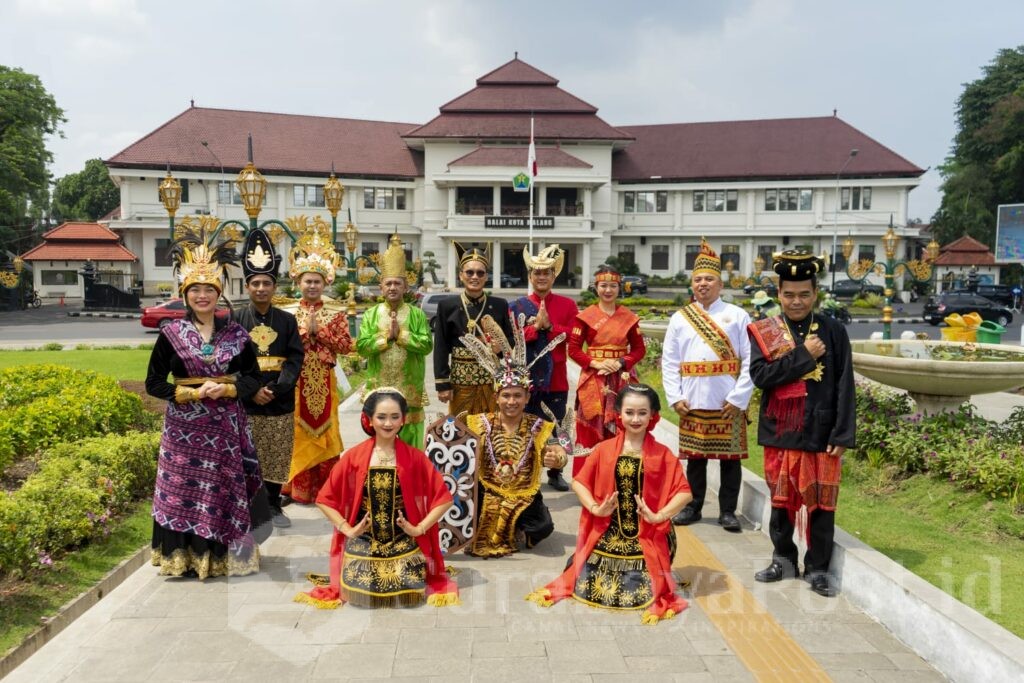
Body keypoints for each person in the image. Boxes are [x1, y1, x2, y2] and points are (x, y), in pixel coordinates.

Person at [144, 223, 266, 579]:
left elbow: (253, 378)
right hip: (183, 433)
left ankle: (224, 558)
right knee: (184, 493)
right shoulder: (170, 334)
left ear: (219, 292)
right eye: (195, 289)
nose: (202, 296)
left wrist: (227, 389)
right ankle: (184, 560)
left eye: (208, 289)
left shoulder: (237, 334)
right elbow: (153, 383)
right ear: (185, 293)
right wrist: (191, 393)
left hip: (226, 429)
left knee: (222, 493)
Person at [526, 384, 692, 624]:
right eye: (630, 412)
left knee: (643, 588)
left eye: (642, 413)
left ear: (653, 415)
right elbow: (579, 482)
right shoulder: (604, 449)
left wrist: (660, 516)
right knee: (587, 581)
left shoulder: (662, 453)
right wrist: (595, 508)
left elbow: (684, 492)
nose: (635, 419)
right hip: (607, 529)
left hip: (647, 532)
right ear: (619, 414)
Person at [747, 250, 855, 597]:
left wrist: (842, 432)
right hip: (781, 429)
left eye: (804, 294)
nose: (796, 302)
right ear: (779, 295)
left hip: (822, 430)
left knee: (821, 503)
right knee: (781, 502)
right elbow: (761, 377)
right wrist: (805, 354)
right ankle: (783, 559)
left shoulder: (834, 330)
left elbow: (844, 383)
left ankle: (819, 568)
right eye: (789, 295)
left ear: (815, 294)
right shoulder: (765, 331)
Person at [294, 388, 460, 609]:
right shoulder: (354, 457)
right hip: (364, 540)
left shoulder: (414, 458)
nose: (388, 423)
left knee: (406, 583)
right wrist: (347, 529)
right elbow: (324, 499)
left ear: (403, 420)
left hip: (403, 540)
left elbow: (444, 498)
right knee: (361, 583)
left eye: (394, 417)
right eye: (381, 417)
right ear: (369, 420)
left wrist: (419, 529)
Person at [458, 313, 569, 557]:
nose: (511, 401)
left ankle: (515, 526)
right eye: (506, 396)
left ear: (527, 398)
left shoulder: (540, 425)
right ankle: (505, 526)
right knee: (461, 513)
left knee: (543, 526)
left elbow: (559, 449)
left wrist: (558, 459)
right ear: (496, 397)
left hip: (524, 491)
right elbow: (455, 451)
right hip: (487, 488)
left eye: (517, 396)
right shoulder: (477, 422)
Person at [662, 239, 753, 532]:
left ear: (720, 284)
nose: (703, 284)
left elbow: (751, 359)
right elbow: (669, 360)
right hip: (692, 398)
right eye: (698, 279)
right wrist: (674, 397)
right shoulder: (680, 318)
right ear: (692, 284)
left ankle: (728, 512)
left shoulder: (737, 315)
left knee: (730, 460)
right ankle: (693, 506)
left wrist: (739, 398)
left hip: (727, 399)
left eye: (709, 279)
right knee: (695, 459)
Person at [233, 227, 305, 528]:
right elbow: (229, 361)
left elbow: (295, 358)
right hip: (247, 401)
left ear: (274, 287)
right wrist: (252, 390)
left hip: (279, 399)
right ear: (247, 286)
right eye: (256, 283)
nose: (261, 288)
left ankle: (274, 505)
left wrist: (276, 388)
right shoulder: (235, 319)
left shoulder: (288, 320)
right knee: (248, 455)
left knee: (277, 453)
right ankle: (251, 507)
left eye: (267, 283)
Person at [287, 220, 353, 504]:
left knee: (327, 431)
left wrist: (321, 333)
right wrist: (305, 332)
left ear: (326, 282)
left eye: (317, 281)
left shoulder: (336, 312)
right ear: (298, 282)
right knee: (298, 431)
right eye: (307, 281)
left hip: (325, 380)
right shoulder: (286, 312)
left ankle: (327, 489)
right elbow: (284, 346)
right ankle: (298, 489)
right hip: (296, 380)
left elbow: (347, 346)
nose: (312, 285)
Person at [511, 244, 579, 491]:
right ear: (530, 276)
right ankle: (527, 470)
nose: (541, 277)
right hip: (526, 378)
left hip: (556, 379)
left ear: (553, 276)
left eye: (546, 273)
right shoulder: (517, 305)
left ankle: (556, 470)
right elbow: (511, 338)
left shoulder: (568, 306)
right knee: (525, 427)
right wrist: (534, 329)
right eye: (537, 273)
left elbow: (574, 338)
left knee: (557, 426)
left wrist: (551, 327)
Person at [356, 233, 433, 449]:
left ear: (405, 286)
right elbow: (361, 347)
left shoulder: (416, 314)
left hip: (410, 392)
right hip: (379, 389)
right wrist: (385, 338)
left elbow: (427, 345)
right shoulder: (371, 315)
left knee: (411, 449)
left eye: (397, 283)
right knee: (379, 446)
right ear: (381, 287)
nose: (392, 287)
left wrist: (401, 336)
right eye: (388, 283)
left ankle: (410, 482)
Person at [568, 264, 646, 475]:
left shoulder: (629, 317)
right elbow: (573, 349)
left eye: (613, 286)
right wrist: (595, 363)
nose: (608, 290)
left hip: (621, 378)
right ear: (596, 287)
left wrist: (621, 362)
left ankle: (621, 478)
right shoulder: (585, 316)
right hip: (594, 378)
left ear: (619, 287)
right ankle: (586, 479)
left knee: (624, 426)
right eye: (603, 285)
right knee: (589, 428)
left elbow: (639, 349)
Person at [434, 243, 513, 416]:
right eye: (469, 272)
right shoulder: (447, 306)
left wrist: (501, 348)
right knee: (461, 431)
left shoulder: (499, 305)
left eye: (480, 273)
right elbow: (440, 346)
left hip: (490, 381)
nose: (474, 276)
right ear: (461, 275)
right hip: (460, 381)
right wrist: (442, 384)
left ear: (486, 277)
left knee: (490, 429)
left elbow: (511, 342)